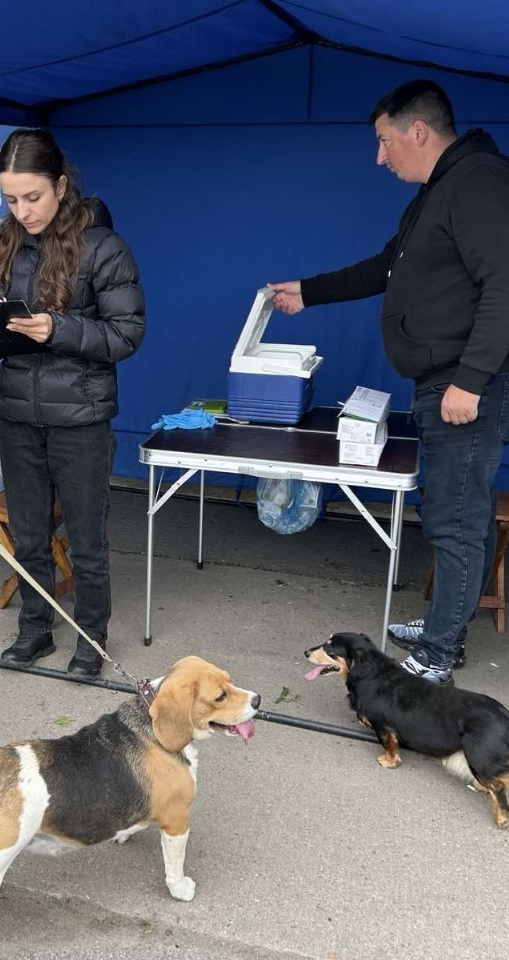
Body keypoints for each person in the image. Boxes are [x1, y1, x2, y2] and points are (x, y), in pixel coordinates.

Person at [269, 78, 509, 686]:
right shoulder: (434, 193)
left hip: (465, 382)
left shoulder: (478, 182)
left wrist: (471, 380)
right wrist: (309, 291)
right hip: (442, 378)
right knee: (460, 510)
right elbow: (386, 267)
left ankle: (439, 654)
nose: (379, 156)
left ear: (418, 131)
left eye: (384, 140)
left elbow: (505, 283)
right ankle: (445, 624)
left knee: (455, 518)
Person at [0, 128, 145, 677]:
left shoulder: (104, 247)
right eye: (10, 199)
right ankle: (35, 628)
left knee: (86, 539)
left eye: (33, 197)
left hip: (81, 419)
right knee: (29, 535)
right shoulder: (2, 243)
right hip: (17, 414)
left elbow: (126, 334)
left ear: (61, 186)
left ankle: (91, 638)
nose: (22, 211)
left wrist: (58, 329)